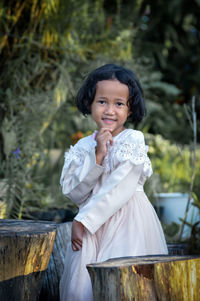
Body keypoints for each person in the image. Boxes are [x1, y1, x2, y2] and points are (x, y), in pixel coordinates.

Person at [59, 64, 168, 301]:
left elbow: (120, 186)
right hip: (89, 231)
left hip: (127, 224)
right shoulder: (83, 146)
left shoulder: (133, 140)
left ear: (130, 109)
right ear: (90, 103)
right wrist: (97, 156)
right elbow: (73, 191)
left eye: (119, 103)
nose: (109, 110)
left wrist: (84, 220)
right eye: (102, 101)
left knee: (123, 285)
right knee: (82, 289)